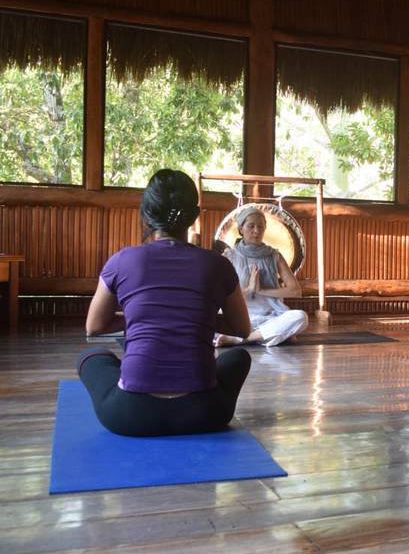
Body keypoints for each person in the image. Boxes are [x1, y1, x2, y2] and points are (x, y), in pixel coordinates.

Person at [79, 169, 253, 437]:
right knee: (239, 357)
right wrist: (194, 317)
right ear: (193, 217)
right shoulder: (218, 264)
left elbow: (94, 326)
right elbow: (242, 329)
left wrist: (146, 317)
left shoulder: (122, 260)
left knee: (90, 357)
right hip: (205, 414)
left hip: (130, 416)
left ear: (146, 214)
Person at [214, 206, 308, 347]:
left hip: (271, 316)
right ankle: (271, 335)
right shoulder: (229, 256)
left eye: (261, 227)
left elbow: (295, 291)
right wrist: (249, 289)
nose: (256, 231)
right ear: (241, 229)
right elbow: (219, 296)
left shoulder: (274, 255)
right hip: (239, 317)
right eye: (251, 226)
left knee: (301, 317)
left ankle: (242, 339)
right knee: (207, 320)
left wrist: (261, 291)